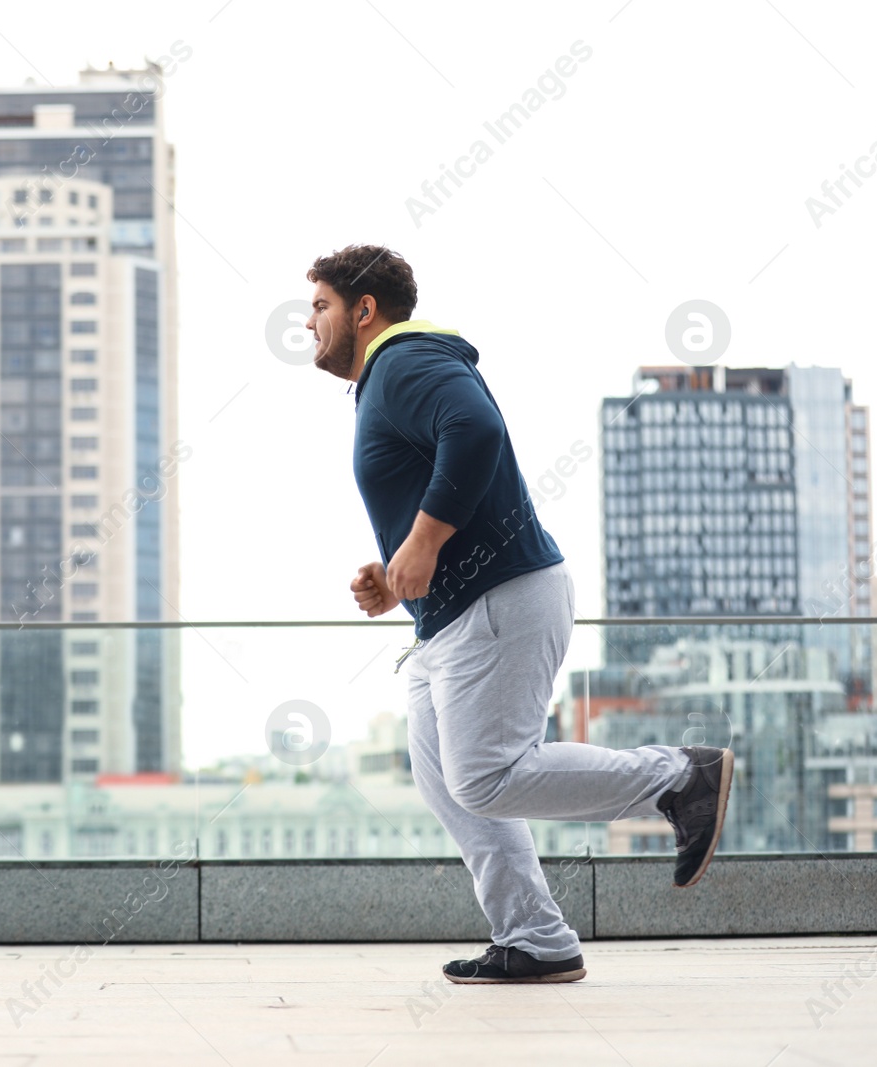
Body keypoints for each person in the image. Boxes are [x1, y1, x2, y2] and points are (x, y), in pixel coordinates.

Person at [304, 244, 734, 984]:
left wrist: (428, 537)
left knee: (488, 777)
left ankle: (678, 776)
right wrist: (395, 565)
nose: (308, 323)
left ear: (363, 310)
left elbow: (476, 432)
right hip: (450, 619)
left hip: (499, 600)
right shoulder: (387, 380)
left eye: (319, 306)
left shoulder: (405, 361)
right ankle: (535, 937)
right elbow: (445, 471)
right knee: (447, 779)